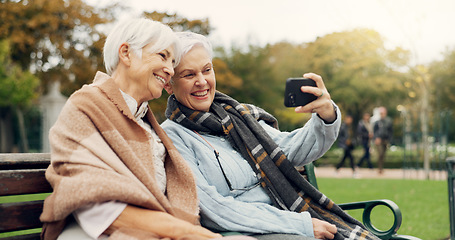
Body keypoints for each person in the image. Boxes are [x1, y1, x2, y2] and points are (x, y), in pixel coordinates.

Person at [39, 18, 250, 240]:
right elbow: (99, 209)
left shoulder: (147, 124)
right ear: (126, 53)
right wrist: (196, 235)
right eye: (162, 56)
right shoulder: (86, 108)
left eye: (173, 61)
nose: (170, 69)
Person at [161, 32, 380, 240]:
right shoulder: (172, 136)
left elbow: (294, 149)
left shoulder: (239, 117)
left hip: (291, 222)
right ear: (169, 85)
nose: (202, 81)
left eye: (206, 70)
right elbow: (214, 209)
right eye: (189, 74)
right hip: (250, 232)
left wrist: (326, 116)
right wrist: (300, 224)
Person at [373, 106, 393, 174]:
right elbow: (374, 131)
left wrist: (389, 140)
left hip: (385, 140)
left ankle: (381, 168)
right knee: (380, 154)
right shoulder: (377, 122)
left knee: (383, 155)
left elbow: (391, 131)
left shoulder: (389, 121)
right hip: (379, 140)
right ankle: (380, 169)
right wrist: (376, 138)